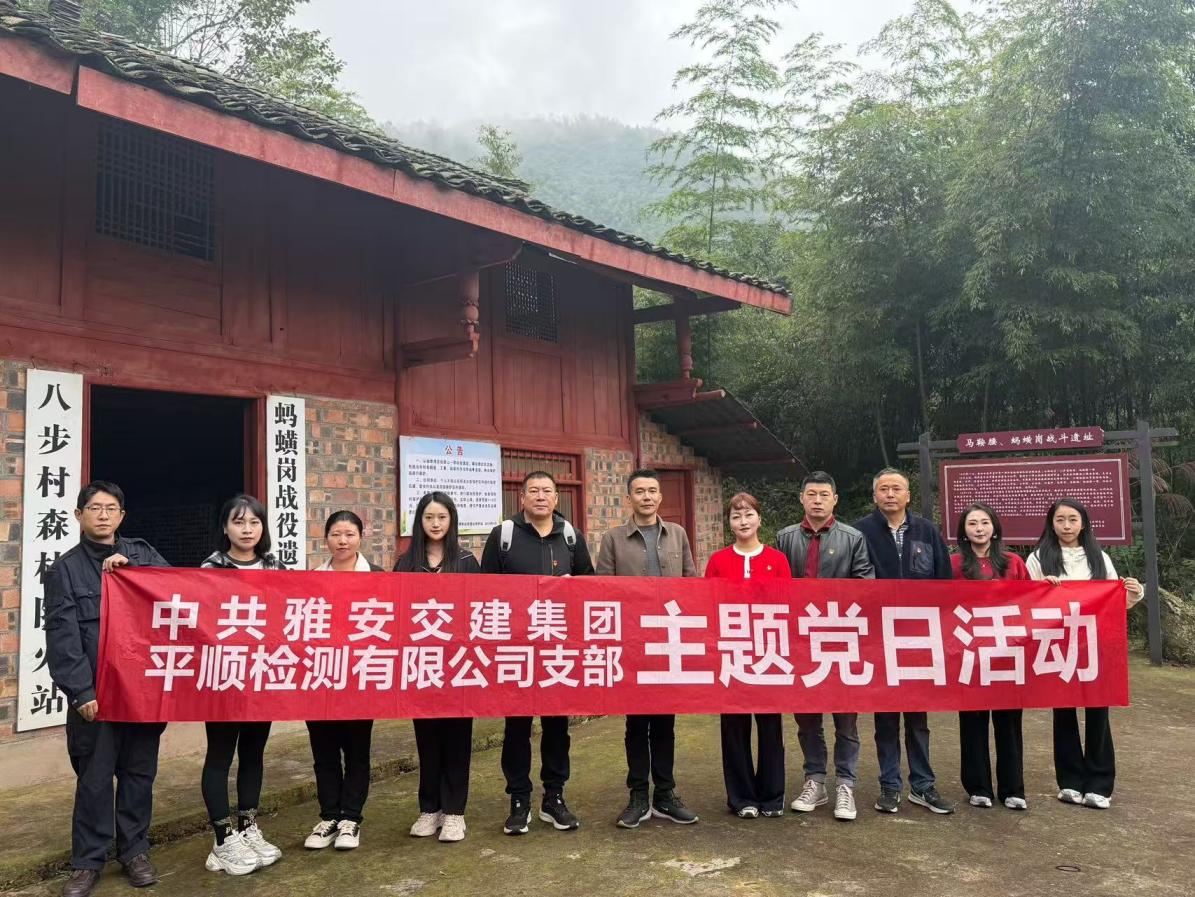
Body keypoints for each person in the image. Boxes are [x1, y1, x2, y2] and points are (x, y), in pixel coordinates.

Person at [44, 481, 170, 897]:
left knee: (139, 774)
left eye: (110, 508)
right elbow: (62, 636)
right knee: (95, 780)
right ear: (78, 515)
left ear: (121, 516)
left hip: (142, 693)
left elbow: (178, 594)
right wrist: (80, 692)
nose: (102, 515)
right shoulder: (65, 569)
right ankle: (87, 862)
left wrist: (136, 574)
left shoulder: (142, 554)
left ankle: (134, 851)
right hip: (97, 697)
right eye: (94, 508)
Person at [481, 470, 595, 835]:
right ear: (522, 498)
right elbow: (484, 591)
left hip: (557, 648)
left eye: (547, 490)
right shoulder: (504, 535)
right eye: (534, 490)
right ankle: (518, 799)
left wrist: (573, 588)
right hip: (515, 648)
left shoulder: (571, 536)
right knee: (516, 727)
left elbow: (590, 585)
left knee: (557, 726)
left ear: (557, 498)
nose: (541, 496)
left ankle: (554, 797)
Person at [597, 469, 699, 829]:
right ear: (629, 498)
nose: (647, 497)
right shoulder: (613, 538)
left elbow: (691, 584)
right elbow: (603, 591)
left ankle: (666, 794)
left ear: (660, 497)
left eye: (652, 491)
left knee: (666, 723)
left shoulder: (678, 534)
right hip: (632, 644)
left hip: (669, 640)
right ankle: (638, 795)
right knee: (637, 724)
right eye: (639, 491)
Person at [1026, 497, 1144, 810]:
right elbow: (1025, 601)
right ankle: (1069, 782)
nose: (1066, 526)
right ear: (1051, 523)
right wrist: (1040, 587)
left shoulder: (1098, 557)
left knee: (1098, 712)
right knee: (1063, 712)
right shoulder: (1038, 557)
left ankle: (1100, 785)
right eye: (1060, 520)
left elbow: (1113, 600)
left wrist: (1133, 592)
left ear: (1083, 523)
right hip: (1057, 644)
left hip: (1095, 644)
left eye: (1072, 520)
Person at [854, 468, 956, 815]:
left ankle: (923, 785)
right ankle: (889, 786)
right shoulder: (860, 532)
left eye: (896, 488)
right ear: (874, 496)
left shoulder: (926, 531)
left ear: (908, 495)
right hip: (877, 638)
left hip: (919, 638)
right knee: (885, 717)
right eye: (883, 489)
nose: (890, 494)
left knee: (917, 717)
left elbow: (944, 581)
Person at [776, 471, 873, 822]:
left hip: (840, 639)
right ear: (802, 498)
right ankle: (815, 780)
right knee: (807, 718)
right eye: (812, 494)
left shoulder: (853, 538)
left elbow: (866, 586)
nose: (817, 501)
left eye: (824, 495)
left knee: (846, 719)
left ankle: (846, 784)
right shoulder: (785, 537)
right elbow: (776, 588)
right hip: (800, 642)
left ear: (835, 500)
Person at [198, 494, 285, 874]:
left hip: (261, 676)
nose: (247, 530)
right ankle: (222, 839)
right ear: (225, 527)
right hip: (223, 677)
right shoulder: (211, 567)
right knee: (220, 755)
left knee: (253, 753)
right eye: (238, 522)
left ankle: (248, 827)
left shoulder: (275, 566)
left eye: (254, 522)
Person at [395, 492, 482, 843]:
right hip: (421, 665)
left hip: (459, 665)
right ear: (419, 521)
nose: (435, 523)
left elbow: (480, 610)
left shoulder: (467, 561)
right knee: (427, 739)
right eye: (429, 517)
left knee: (458, 738)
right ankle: (430, 808)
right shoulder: (406, 563)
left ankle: (455, 812)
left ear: (452, 521)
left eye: (442, 517)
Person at [704, 492, 792, 818]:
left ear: (759, 519)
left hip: (769, 651)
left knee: (770, 726)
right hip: (732, 651)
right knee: (734, 727)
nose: (743, 521)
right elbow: (707, 605)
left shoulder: (777, 559)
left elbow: (787, 603)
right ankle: (742, 798)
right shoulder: (718, 561)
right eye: (736, 516)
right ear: (729, 523)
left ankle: (772, 796)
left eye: (748, 515)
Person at [303, 510, 384, 851]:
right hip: (320, 677)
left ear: (360, 537)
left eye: (349, 534)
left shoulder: (378, 577)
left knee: (356, 752)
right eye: (336, 534)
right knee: (323, 752)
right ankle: (329, 817)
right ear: (326, 539)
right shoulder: (311, 579)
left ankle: (351, 818)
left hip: (360, 677)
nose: (343, 541)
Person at [951, 502, 1031, 811]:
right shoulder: (954, 564)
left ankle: (1013, 789)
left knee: (1009, 722)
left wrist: (1050, 587)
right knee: (973, 722)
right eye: (972, 523)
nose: (979, 528)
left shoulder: (1013, 562)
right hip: (969, 654)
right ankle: (978, 786)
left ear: (994, 528)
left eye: (984, 522)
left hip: (1008, 654)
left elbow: (1032, 600)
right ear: (964, 531)